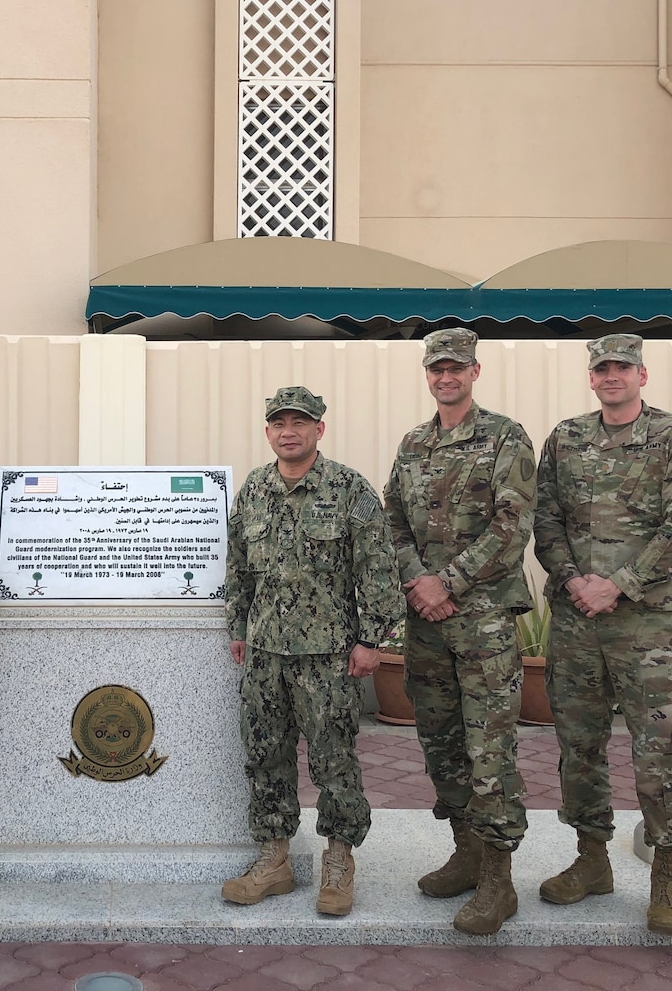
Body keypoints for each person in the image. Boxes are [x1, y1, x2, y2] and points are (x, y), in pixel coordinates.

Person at [533, 334, 672, 937]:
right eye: (602, 368)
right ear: (591, 377)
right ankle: (591, 862)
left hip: (648, 626)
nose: (612, 376)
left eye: (622, 368)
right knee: (578, 747)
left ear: (642, 374)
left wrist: (621, 585)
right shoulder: (566, 438)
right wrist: (572, 579)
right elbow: (546, 517)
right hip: (578, 622)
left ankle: (667, 876)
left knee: (662, 748)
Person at [221, 386, 405, 917]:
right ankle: (274, 860)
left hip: (328, 654)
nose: (289, 431)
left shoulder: (348, 489)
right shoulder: (254, 488)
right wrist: (239, 625)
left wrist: (372, 640)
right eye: (279, 422)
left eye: (300, 422)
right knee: (264, 757)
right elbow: (237, 564)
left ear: (319, 430)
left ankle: (339, 860)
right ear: (268, 431)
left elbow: (377, 569)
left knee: (334, 758)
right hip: (263, 654)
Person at [381, 328, 535, 935]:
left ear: (475, 371)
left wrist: (450, 582)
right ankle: (466, 853)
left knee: (490, 746)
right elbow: (391, 519)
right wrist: (420, 580)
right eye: (436, 369)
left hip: (485, 620)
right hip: (427, 622)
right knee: (440, 739)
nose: (446, 377)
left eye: (457, 368)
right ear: (427, 375)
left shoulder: (505, 437)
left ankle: (500, 879)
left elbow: (514, 522)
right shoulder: (413, 443)